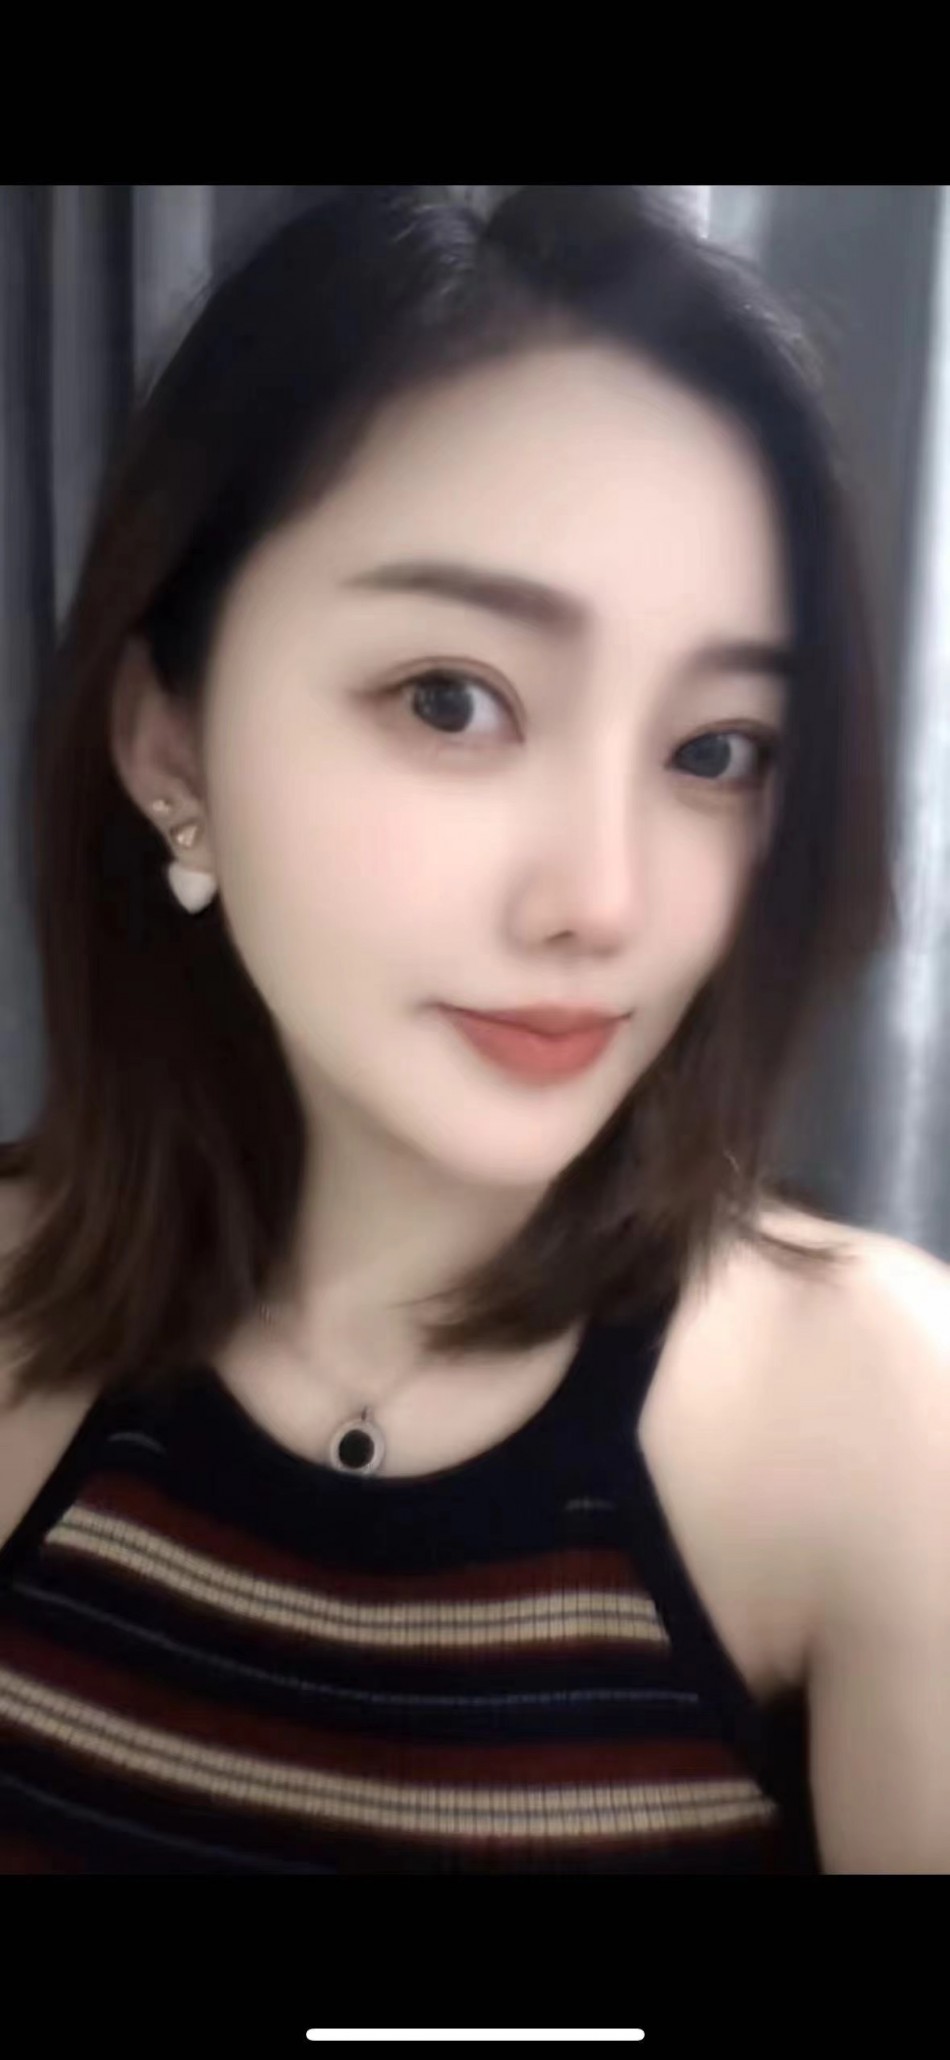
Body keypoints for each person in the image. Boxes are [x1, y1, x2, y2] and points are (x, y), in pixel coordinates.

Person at [0, 185, 945, 1875]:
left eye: (714, 750)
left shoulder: (881, 1425)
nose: (604, 900)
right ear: (169, 748)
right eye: (451, 700)